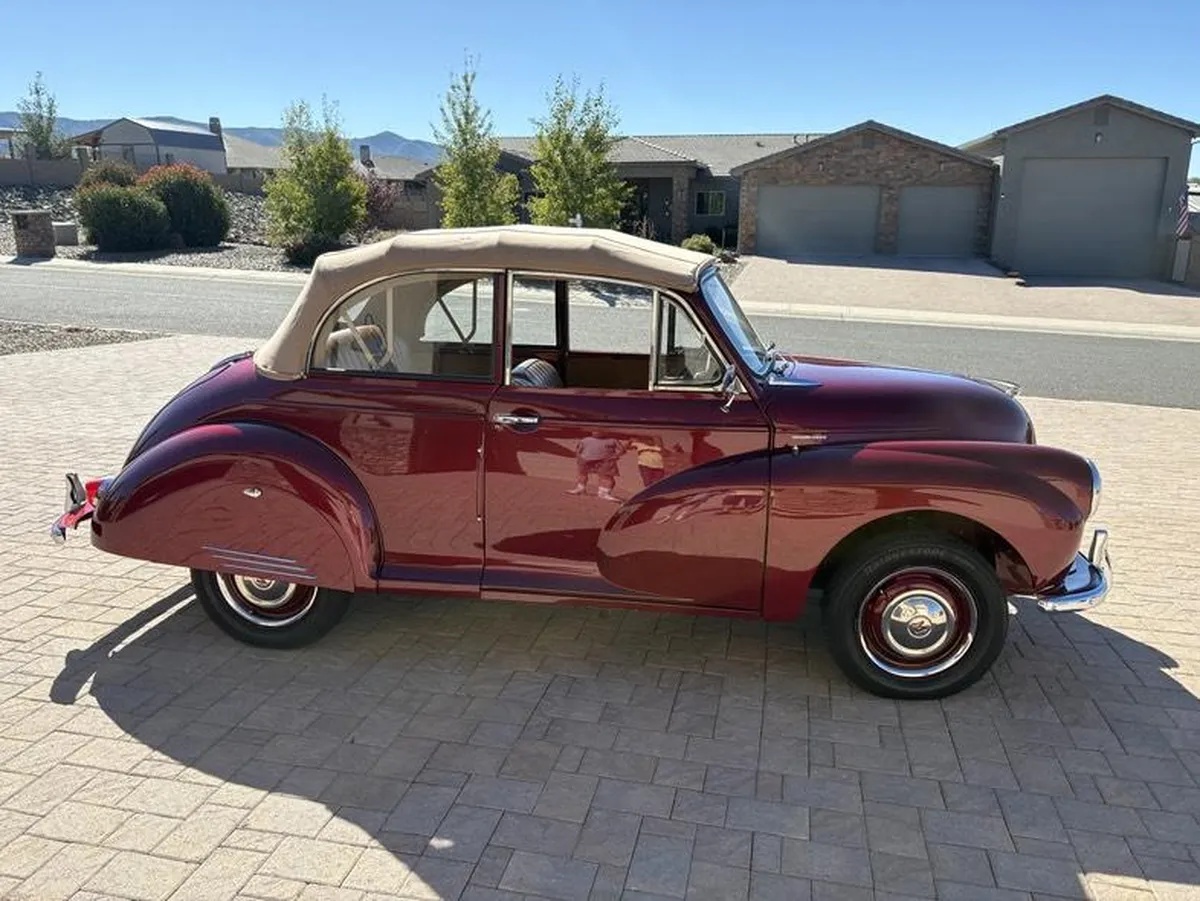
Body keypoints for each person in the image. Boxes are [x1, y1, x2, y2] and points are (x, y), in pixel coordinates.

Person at [567, 432, 626, 500]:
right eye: (595, 430)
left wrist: (616, 456)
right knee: (582, 474)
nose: (597, 432)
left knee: (606, 476)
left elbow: (622, 450)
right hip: (586, 459)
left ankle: (604, 493)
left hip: (605, 461)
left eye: (600, 430)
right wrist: (579, 458)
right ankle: (580, 488)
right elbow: (578, 450)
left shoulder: (612, 440)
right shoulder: (585, 440)